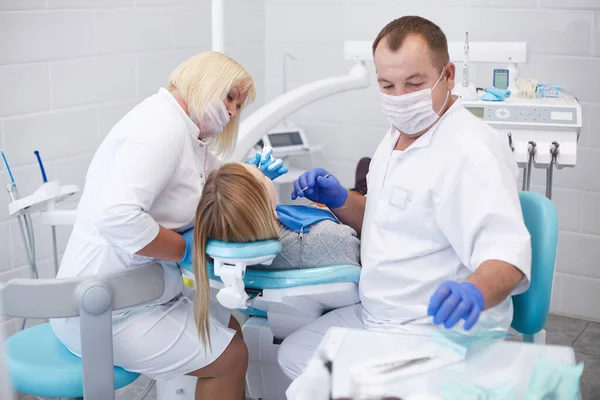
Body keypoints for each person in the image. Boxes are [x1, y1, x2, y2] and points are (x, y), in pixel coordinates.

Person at [278, 16, 532, 380]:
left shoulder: (471, 153)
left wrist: (474, 290)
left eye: (414, 84)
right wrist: (343, 201)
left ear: (448, 75)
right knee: (293, 354)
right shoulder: (400, 133)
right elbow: (391, 221)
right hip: (382, 317)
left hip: (438, 331)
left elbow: (506, 258)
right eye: (387, 85)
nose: (400, 99)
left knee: (320, 376)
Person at [49, 51, 286, 400]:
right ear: (205, 83)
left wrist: (252, 175)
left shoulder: (184, 131)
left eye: (240, 105)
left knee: (231, 327)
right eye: (229, 97)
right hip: (106, 310)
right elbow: (117, 216)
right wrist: (183, 250)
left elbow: (203, 182)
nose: (233, 111)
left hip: (139, 295)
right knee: (231, 356)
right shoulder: (159, 129)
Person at [192, 162, 360, 277]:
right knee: (363, 175)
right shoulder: (332, 239)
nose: (262, 173)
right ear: (262, 200)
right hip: (347, 219)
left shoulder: (222, 252)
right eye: (261, 175)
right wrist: (342, 202)